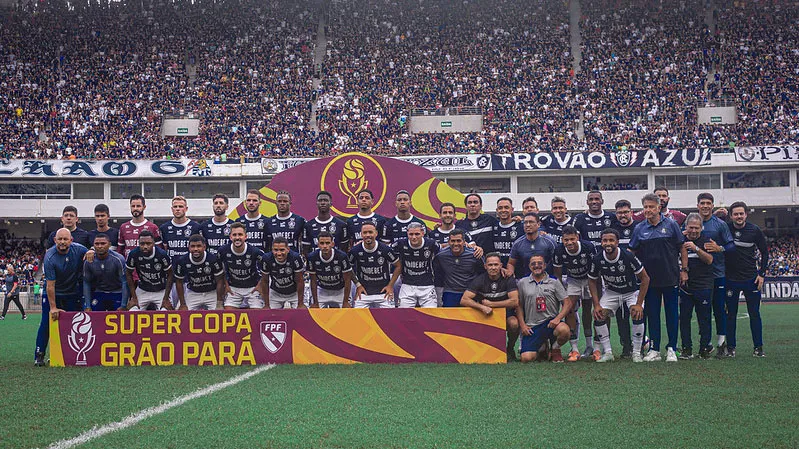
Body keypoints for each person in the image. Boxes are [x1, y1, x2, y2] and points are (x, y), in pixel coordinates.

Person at [629, 193, 688, 362]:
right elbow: (631, 252)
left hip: (670, 277)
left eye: (651, 207)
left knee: (671, 314)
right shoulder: (639, 228)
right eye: (645, 207)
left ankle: (671, 348)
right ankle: (654, 349)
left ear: (659, 208)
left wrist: (684, 270)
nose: (648, 210)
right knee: (652, 314)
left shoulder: (671, 225)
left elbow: (682, 248)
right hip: (649, 281)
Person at [588, 229, 650, 363]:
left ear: (617, 242)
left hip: (631, 292)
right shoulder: (597, 259)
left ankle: (637, 353)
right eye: (605, 240)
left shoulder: (627, 256)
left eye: (611, 240)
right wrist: (597, 304)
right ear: (601, 242)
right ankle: (608, 352)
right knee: (599, 315)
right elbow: (592, 281)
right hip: (612, 292)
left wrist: (639, 304)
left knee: (637, 313)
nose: (608, 243)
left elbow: (645, 279)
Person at [34, 229, 91, 366]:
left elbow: (90, 252)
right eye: (59, 239)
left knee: (74, 324)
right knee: (46, 323)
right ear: (55, 240)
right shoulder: (49, 257)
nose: (62, 242)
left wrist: (91, 251)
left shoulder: (79, 249)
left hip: (72, 293)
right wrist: (53, 307)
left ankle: (69, 355)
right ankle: (39, 355)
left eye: (65, 239)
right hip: (54, 294)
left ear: (71, 240)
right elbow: (50, 285)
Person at [725, 202, 769, 358]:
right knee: (730, 315)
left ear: (746, 214)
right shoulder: (726, 228)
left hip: (751, 279)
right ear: (731, 216)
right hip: (730, 279)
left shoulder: (754, 230)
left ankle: (758, 347)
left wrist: (761, 274)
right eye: (735, 214)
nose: (738, 217)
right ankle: (730, 348)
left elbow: (765, 252)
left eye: (741, 214)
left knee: (754, 314)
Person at [695, 193, 735, 357]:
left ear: (712, 206)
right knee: (701, 311)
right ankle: (706, 344)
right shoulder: (692, 223)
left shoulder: (720, 224)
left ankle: (721, 344)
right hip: (697, 277)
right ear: (697, 205)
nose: (705, 206)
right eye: (702, 203)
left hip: (718, 274)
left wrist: (720, 248)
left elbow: (731, 246)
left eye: (708, 203)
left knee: (719, 310)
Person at [460, 252, 520, 361]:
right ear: (485, 266)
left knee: (514, 323)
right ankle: (479, 351)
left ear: (501, 265)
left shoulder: (508, 278)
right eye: (490, 265)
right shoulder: (479, 280)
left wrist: (492, 304)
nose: (493, 268)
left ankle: (510, 348)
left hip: (505, 313)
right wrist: (482, 307)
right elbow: (464, 299)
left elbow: (515, 301)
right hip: (484, 314)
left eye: (496, 265)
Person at [516, 255, 572, 363]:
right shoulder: (522, 282)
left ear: (545, 265)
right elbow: (519, 306)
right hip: (533, 326)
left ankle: (555, 348)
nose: (537, 266)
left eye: (540, 263)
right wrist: (523, 325)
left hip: (550, 323)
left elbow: (567, 303)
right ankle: (542, 347)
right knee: (526, 358)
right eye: (533, 264)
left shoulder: (554, 281)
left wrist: (558, 318)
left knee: (564, 330)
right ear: (529, 266)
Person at [553, 226, 596, 362]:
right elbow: (558, 274)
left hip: (589, 279)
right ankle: (574, 349)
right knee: (569, 309)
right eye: (566, 240)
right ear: (562, 239)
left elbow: (596, 268)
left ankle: (591, 346)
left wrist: (595, 287)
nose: (569, 242)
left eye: (572, 239)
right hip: (572, 280)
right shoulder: (559, 250)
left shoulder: (588, 247)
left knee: (589, 311)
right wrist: (561, 292)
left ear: (577, 237)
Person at [678, 213, 715, 359]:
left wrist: (696, 248)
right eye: (691, 227)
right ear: (686, 227)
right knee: (684, 318)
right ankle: (687, 349)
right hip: (685, 286)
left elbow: (710, 260)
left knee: (704, 318)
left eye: (696, 228)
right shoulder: (680, 240)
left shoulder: (707, 241)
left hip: (704, 285)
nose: (693, 231)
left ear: (701, 228)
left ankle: (704, 348)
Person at [349, 222, 401, 308]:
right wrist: (358, 285)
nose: (368, 235)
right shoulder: (355, 251)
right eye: (365, 233)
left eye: (370, 232)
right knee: (358, 319)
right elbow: (348, 269)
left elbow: (398, 265)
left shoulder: (385, 249)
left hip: (384, 293)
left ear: (376, 233)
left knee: (391, 319)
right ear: (361, 234)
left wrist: (390, 285)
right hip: (363, 294)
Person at [217, 222, 266, 309]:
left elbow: (267, 268)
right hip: (233, 288)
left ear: (245, 236)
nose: (237, 238)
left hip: (253, 288)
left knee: (257, 314)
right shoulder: (223, 251)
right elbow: (220, 271)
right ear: (230, 237)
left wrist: (260, 284)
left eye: (240, 234)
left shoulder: (255, 252)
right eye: (234, 235)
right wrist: (226, 285)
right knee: (228, 314)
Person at [433, 229, 484, 307]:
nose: (456, 244)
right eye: (453, 241)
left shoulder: (475, 254)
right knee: (448, 317)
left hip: (470, 292)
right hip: (450, 292)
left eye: (458, 241)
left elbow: (484, 272)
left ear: (464, 242)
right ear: (448, 242)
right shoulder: (441, 256)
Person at [394, 222, 440, 308]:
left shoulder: (431, 244)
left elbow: (444, 251)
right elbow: (384, 250)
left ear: (422, 233)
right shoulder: (400, 243)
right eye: (411, 234)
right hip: (407, 286)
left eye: (417, 234)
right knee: (403, 315)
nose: (414, 237)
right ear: (407, 233)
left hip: (427, 286)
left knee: (431, 315)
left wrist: (466, 245)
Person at [174, 234, 226, 310]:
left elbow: (220, 281)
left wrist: (219, 302)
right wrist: (182, 303)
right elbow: (179, 281)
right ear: (189, 248)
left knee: (220, 314)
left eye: (198, 246)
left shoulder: (213, 260)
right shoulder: (182, 261)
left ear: (204, 247)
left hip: (212, 293)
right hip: (193, 293)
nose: (195, 249)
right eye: (193, 246)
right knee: (180, 313)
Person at [125, 230, 173, 311]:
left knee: (165, 312)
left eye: (148, 243)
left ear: (153, 243)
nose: (145, 246)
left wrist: (165, 298)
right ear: (138, 243)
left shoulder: (162, 254)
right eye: (142, 244)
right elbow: (128, 273)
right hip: (143, 290)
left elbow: (170, 275)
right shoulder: (133, 254)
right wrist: (134, 297)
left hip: (161, 290)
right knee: (132, 311)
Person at [82, 233, 128, 311]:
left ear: (109, 245)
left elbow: (124, 282)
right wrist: (88, 306)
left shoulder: (118, 259)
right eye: (97, 244)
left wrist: (123, 305)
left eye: (103, 243)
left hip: (117, 292)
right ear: (93, 245)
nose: (100, 246)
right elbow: (86, 282)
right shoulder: (89, 261)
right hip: (99, 292)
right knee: (93, 315)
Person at [306, 231, 353, 308]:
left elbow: (347, 280)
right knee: (315, 312)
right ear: (318, 245)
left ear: (332, 244)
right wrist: (315, 302)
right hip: (322, 290)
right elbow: (313, 281)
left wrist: (345, 301)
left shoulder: (342, 256)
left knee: (346, 313)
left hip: (340, 290)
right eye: (322, 243)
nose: (325, 246)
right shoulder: (312, 257)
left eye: (327, 243)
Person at [507, 213, 557, 280]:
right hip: (526, 280)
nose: (528, 225)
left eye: (531, 222)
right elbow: (511, 263)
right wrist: (511, 277)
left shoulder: (549, 241)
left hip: (546, 280)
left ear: (538, 224)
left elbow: (557, 262)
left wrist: (556, 280)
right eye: (525, 223)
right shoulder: (517, 243)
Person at [260, 237, 306, 309]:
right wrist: (266, 305)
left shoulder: (295, 257)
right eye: (276, 250)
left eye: (282, 250)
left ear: (288, 249)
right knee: (269, 316)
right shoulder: (266, 258)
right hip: (276, 293)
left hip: (294, 293)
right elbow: (265, 281)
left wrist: (300, 304)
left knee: (303, 314)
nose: (279, 253)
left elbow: (300, 281)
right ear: (272, 249)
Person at [118, 194, 162, 260]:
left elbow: (159, 251)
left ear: (144, 207)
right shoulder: (123, 227)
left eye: (138, 206)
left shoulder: (153, 227)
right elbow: (120, 251)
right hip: (129, 268)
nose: (135, 208)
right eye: (133, 206)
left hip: (147, 267)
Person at [160, 196, 202, 260]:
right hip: (172, 267)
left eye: (180, 206)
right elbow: (164, 250)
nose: (177, 209)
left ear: (186, 208)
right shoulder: (164, 228)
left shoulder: (196, 227)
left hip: (189, 266)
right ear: (172, 209)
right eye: (175, 207)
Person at [491, 197, 524, 266]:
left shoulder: (521, 226)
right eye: (500, 208)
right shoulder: (493, 227)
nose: (503, 210)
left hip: (518, 270)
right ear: (497, 210)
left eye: (506, 207)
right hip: (498, 270)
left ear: (512, 210)